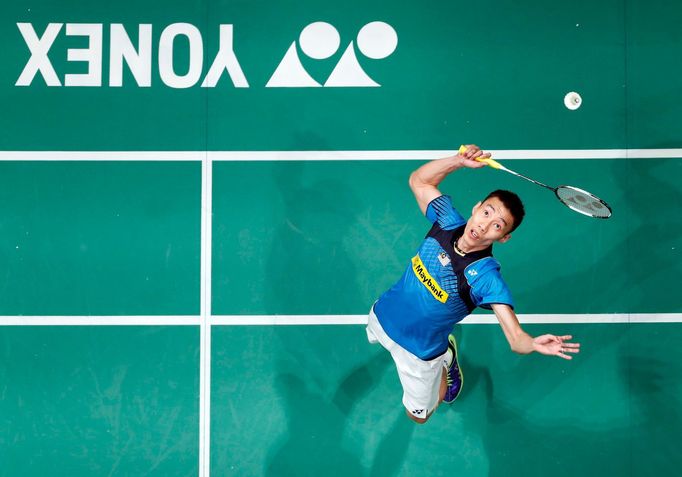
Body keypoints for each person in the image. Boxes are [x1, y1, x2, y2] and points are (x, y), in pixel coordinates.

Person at [367, 144, 581, 424]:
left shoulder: (486, 278)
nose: (485, 224)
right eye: (487, 212)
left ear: (503, 238)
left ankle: (447, 359)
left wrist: (531, 343)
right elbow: (418, 180)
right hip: (384, 315)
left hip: (420, 355)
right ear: (476, 207)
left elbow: (516, 339)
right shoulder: (446, 221)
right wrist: (457, 161)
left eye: (498, 225)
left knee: (419, 416)